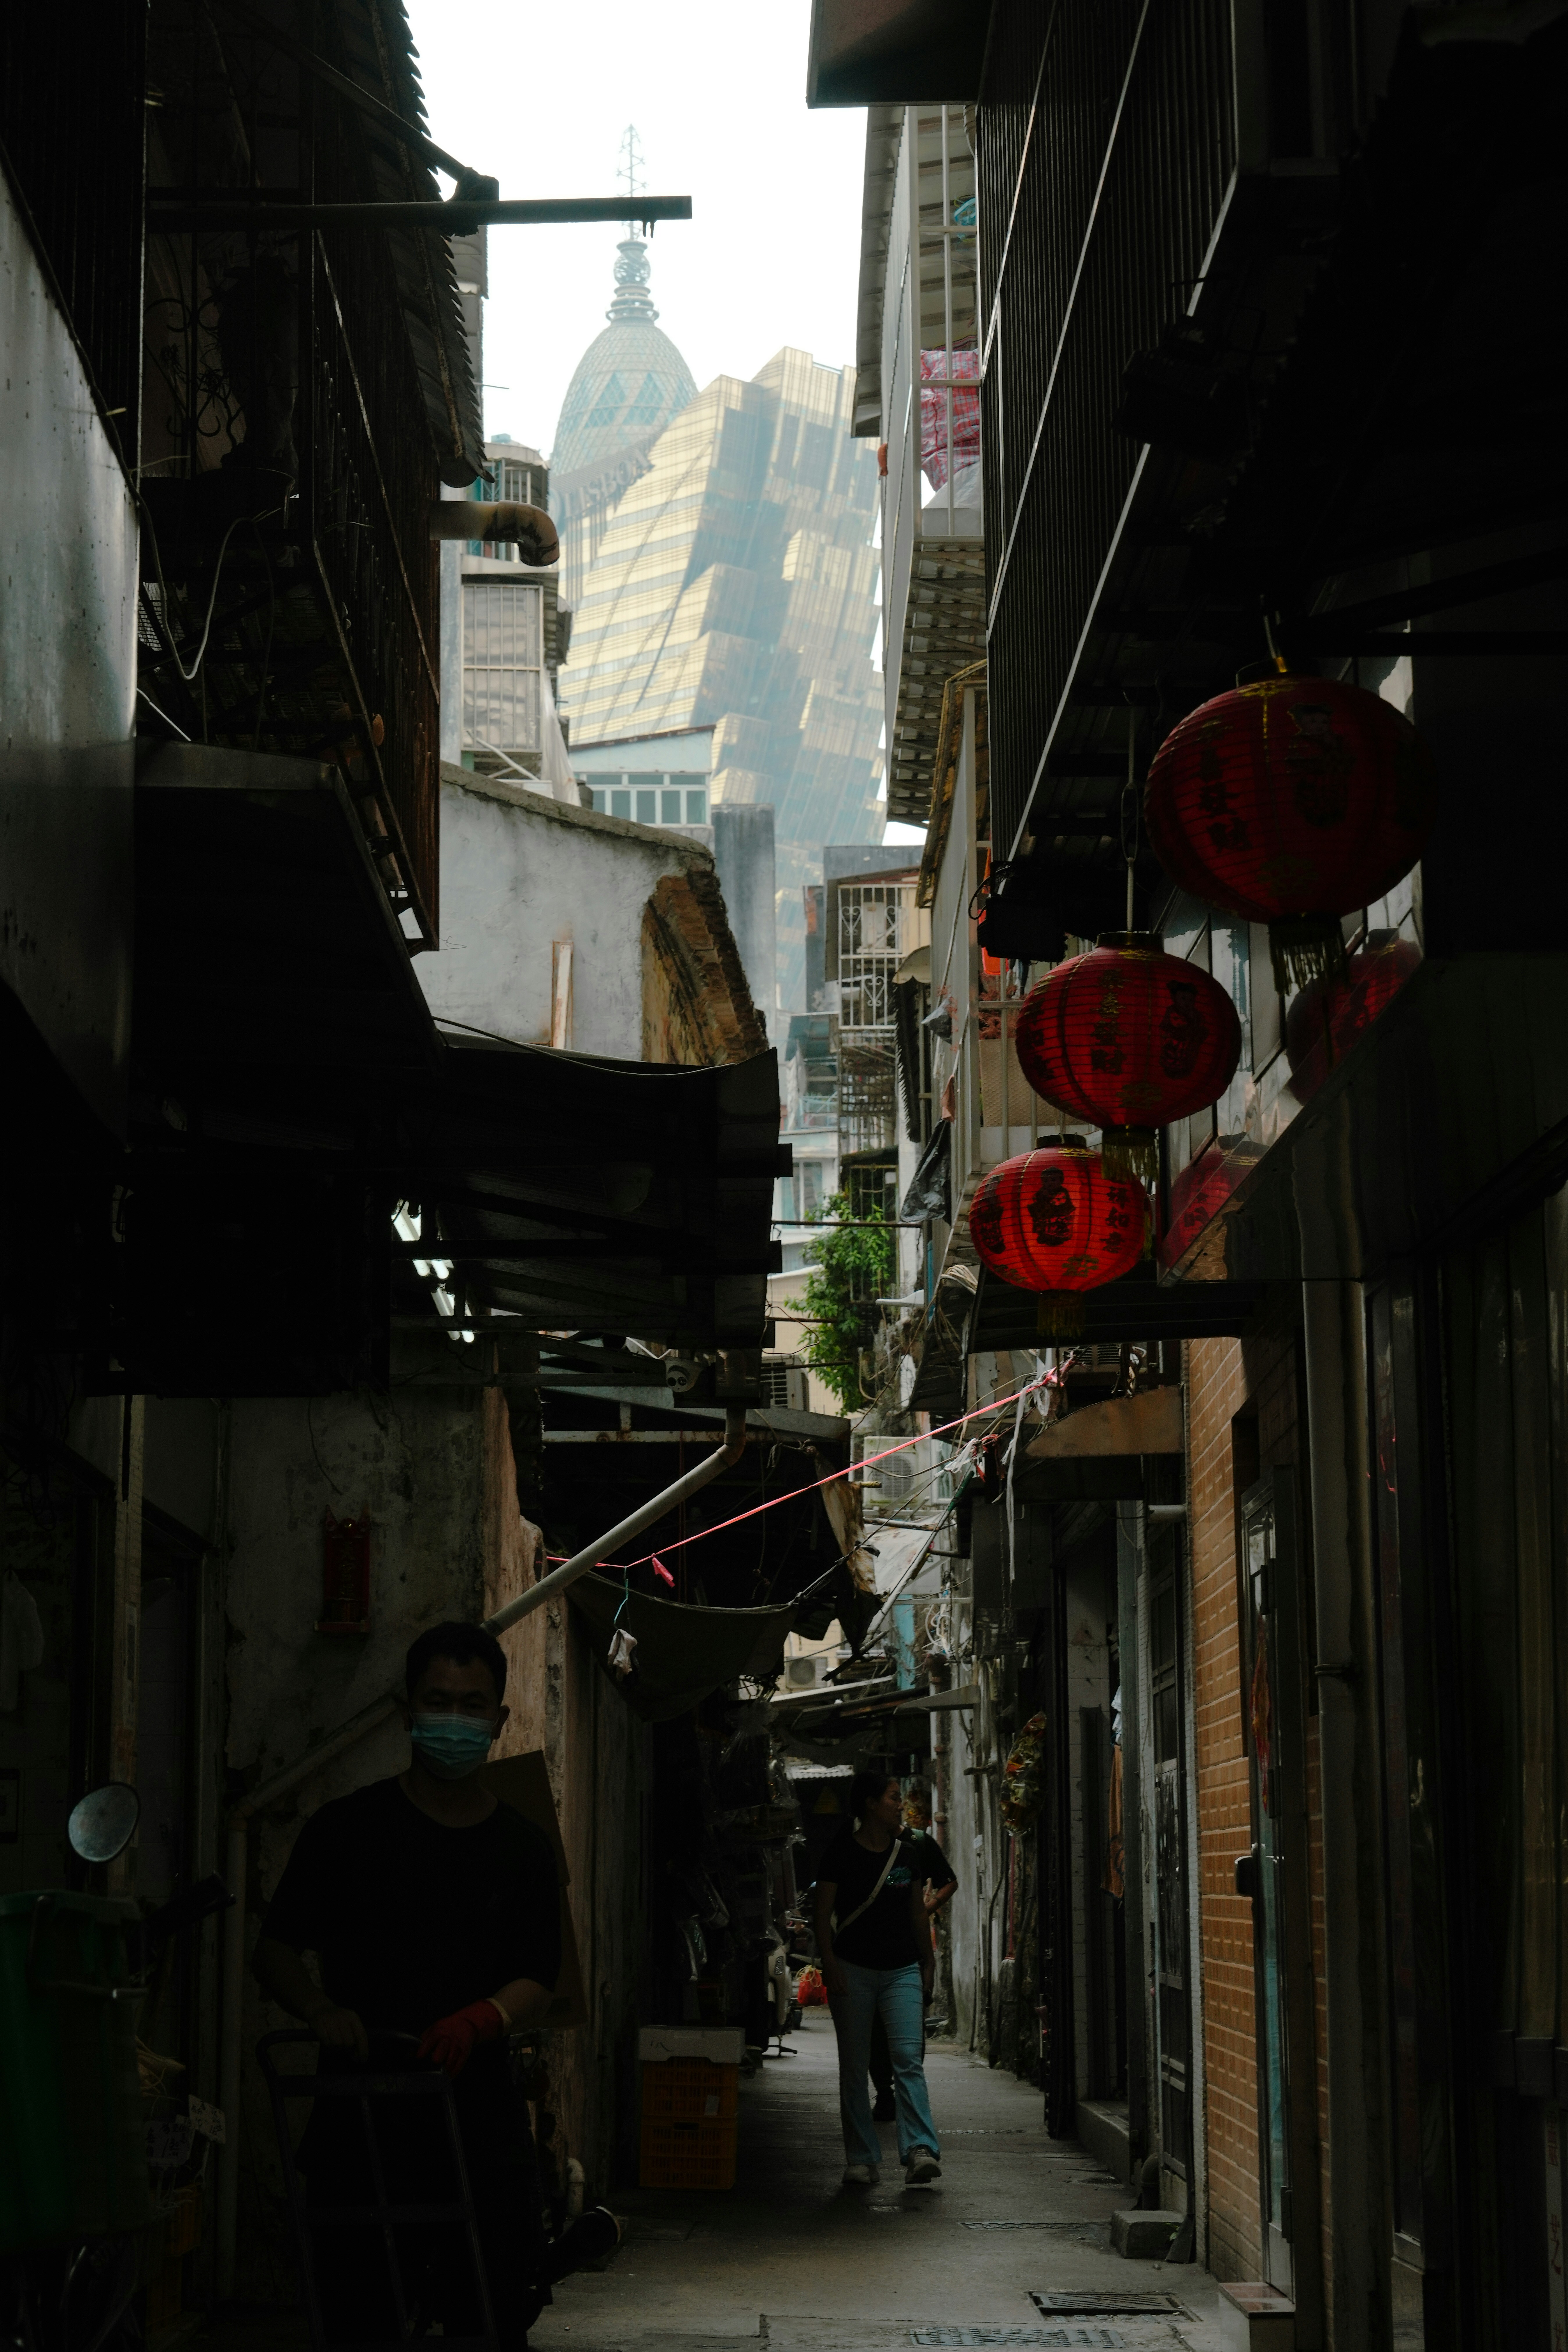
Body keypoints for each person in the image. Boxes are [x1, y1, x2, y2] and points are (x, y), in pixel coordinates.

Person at [254, 1621, 610, 2348]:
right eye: (437, 1700)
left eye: (471, 1704)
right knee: (360, 2315)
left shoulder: (522, 1848)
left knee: (493, 2307)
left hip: (477, 2120)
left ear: (498, 1719)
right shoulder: (345, 1831)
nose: (454, 1719)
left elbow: (538, 1976)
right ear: (406, 1710)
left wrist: (482, 2018)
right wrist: (318, 2007)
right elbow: (275, 1950)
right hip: (362, 2118)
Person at [814, 1770, 943, 2188]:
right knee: (855, 2066)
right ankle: (861, 2157)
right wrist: (830, 1963)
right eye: (892, 1796)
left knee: (908, 2058)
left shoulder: (907, 1854)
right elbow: (822, 1914)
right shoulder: (840, 1853)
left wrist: (927, 1962)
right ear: (870, 1804)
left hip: (901, 1969)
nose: (899, 1803)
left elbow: (916, 1912)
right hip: (851, 1968)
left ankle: (920, 2148)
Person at [869, 1805, 957, 2122]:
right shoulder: (862, 1845)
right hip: (870, 1949)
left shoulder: (917, 1843)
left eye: (898, 1799)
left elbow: (949, 1881)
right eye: (890, 1799)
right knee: (875, 2030)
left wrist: (926, 1909)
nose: (896, 1807)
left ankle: (906, 2093)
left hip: (911, 1948)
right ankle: (884, 2092)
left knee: (910, 2029)